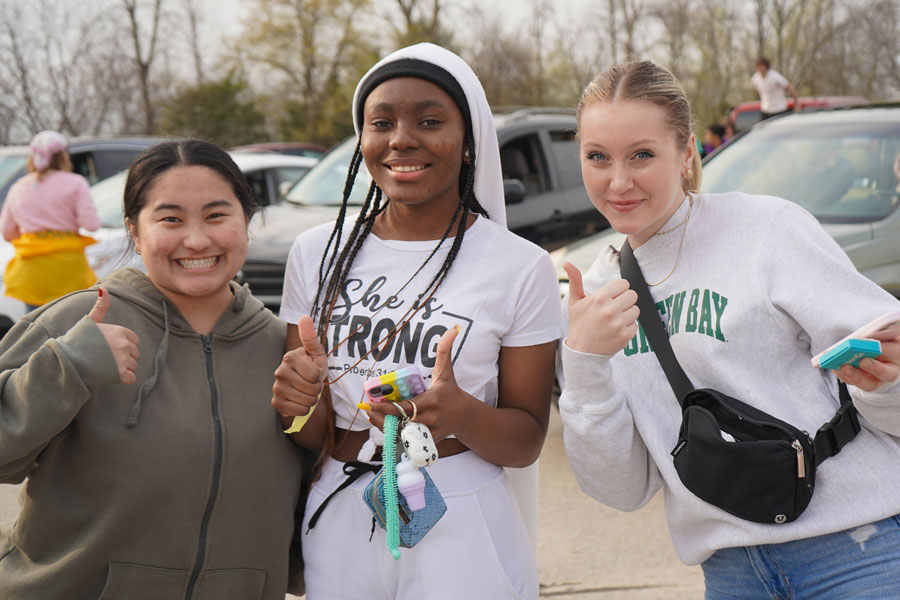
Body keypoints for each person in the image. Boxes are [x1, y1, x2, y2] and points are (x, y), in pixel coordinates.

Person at [559, 60, 900, 598]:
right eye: (597, 157)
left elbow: (891, 393)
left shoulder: (765, 230)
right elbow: (621, 490)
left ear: (687, 151)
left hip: (857, 551)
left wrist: (884, 381)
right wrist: (582, 364)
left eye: (642, 155)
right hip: (730, 574)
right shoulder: (596, 290)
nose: (618, 181)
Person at [271, 43, 560, 599]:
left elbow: (526, 442)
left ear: (469, 143)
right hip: (339, 507)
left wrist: (460, 413)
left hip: (460, 511)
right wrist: (296, 402)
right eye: (381, 123)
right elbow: (309, 433)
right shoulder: (314, 254)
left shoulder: (519, 267)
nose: (402, 138)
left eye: (429, 121)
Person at [0, 140, 308, 599]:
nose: (197, 239)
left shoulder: (281, 347)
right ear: (134, 230)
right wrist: (68, 366)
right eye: (170, 219)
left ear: (247, 220)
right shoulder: (77, 322)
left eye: (217, 215)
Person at [0, 130, 101, 311]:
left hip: (31, 270)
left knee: (36, 328)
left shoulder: (18, 187)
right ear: (63, 156)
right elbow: (91, 224)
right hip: (68, 268)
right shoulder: (75, 182)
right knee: (73, 326)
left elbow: (7, 233)